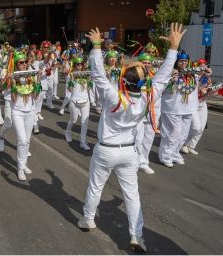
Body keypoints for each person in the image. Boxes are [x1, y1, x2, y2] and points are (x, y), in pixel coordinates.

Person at [77, 23, 186, 252]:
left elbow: (97, 74)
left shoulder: (113, 97)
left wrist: (96, 46)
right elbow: (164, 76)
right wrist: (174, 48)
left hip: (106, 150)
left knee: (96, 187)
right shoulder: (148, 98)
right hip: (129, 152)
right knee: (132, 195)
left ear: (123, 80)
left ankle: (88, 219)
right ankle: (136, 235)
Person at [158, 50, 200, 167]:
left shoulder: (192, 74)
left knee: (183, 134)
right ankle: (165, 156)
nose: (183, 63)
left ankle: (175, 154)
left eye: (185, 61)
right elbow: (160, 87)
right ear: (176, 61)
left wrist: (206, 74)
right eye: (181, 61)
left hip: (188, 108)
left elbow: (201, 83)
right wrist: (171, 79)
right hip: (172, 108)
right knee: (173, 133)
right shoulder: (169, 72)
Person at [5, 51, 41, 181]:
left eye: (26, 62)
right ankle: (20, 169)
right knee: (22, 140)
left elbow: (36, 98)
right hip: (18, 112)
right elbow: (14, 99)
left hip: (30, 111)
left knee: (28, 140)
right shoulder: (13, 77)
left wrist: (38, 81)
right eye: (21, 62)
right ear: (16, 64)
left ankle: (23, 164)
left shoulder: (31, 77)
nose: (24, 64)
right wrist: (13, 84)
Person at [181, 58, 213, 155]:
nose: (203, 67)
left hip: (202, 104)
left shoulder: (208, 77)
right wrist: (205, 78)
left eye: (204, 65)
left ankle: (191, 145)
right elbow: (197, 87)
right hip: (193, 104)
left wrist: (210, 91)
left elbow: (209, 92)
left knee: (202, 127)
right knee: (196, 127)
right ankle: (183, 143)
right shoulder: (193, 76)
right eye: (200, 65)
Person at [64, 56, 92, 151]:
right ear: (75, 65)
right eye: (78, 64)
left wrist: (90, 80)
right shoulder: (70, 75)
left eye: (81, 64)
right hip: (74, 101)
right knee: (74, 120)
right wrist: (71, 79)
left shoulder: (86, 74)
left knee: (85, 122)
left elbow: (88, 89)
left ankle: (82, 142)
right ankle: (67, 132)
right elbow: (69, 90)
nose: (80, 66)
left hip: (85, 101)